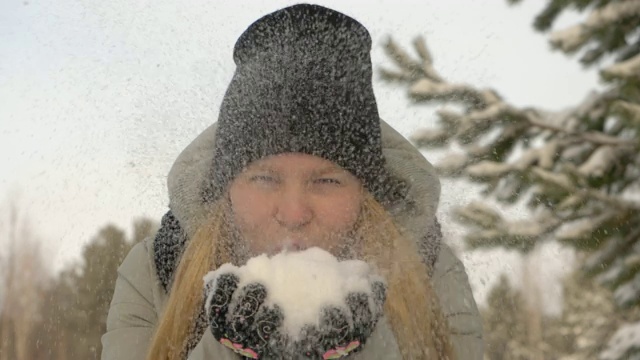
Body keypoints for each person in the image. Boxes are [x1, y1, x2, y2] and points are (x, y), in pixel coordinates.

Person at [101, 4, 483, 360]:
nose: (294, 213)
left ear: (364, 191)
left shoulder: (428, 271)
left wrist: (365, 347)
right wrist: (230, 351)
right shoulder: (157, 271)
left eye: (327, 182)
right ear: (227, 189)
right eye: (264, 178)